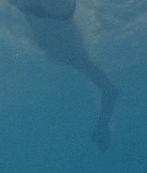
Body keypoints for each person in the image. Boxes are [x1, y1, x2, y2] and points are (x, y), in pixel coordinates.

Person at [9, 0, 117, 151]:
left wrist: (103, 124)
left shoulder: (73, 56)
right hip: (55, 16)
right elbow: (109, 90)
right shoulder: (73, 56)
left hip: (52, 15)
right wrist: (103, 124)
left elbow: (110, 90)